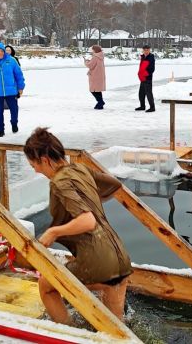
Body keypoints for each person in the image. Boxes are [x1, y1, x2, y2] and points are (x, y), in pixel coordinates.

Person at [23, 127, 132, 325]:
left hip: (99, 263)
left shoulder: (59, 181)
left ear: (45, 160)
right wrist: (90, 200)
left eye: (34, 165)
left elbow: (87, 221)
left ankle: (71, 332)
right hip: (120, 258)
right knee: (115, 330)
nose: (36, 170)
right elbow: (114, 184)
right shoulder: (80, 169)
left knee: (46, 286)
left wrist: (54, 231)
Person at [84, 45, 106, 109]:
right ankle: (100, 104)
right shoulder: (100, 56)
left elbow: (90, 65)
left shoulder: (95, 57)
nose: (92, 51)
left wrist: (86, 61)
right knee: (98, 90)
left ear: (95, 50)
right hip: (100, 75)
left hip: (95, 75)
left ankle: (100, 102)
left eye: (92, 49)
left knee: (93, 90)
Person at [135, 45, 155, 112]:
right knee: (141, 93)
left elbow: (152, 69)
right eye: (145, 50)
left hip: (148, 78)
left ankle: (152, 107)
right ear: (143, 50)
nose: (146, 51)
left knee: (149, 93)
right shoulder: (143, 57)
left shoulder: (151, 57)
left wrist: (145, 74)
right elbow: (141, 67)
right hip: (142, 78)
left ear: (149, 50)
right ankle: (142, 106)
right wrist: (140, 75)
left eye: (147, 50)